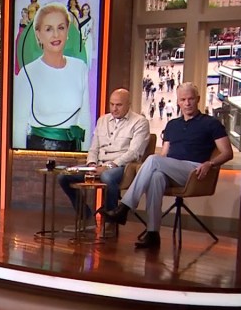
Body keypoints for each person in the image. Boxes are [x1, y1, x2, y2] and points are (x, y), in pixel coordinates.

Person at [99, 83, 233, 249]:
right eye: (183, 99)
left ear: (198, 99)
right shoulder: (172, 125)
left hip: (195, 170)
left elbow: (227, 152)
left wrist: (210, 163)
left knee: (153, 160)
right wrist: (154, 165)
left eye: (191, 99)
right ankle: (153, 234)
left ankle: (124, 208)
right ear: (178, 101)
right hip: (172, 169)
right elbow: (164, 155)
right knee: (156, 176)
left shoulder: (211, 123)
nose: (187, 103)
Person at [57, 88, 149, 226]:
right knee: (63, 176)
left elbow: (134, 153)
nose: (114, 109)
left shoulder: (140, 122)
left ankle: (111, 219)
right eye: (112, 104)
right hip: (98, 164)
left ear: (128, 104)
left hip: (122, 166)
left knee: (107, 176)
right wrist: (91, 164)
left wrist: (108, 166)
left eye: (119, 105)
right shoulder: (102, 120)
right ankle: (86, 216)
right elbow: (94, 148)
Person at [14, 3, 91, 151]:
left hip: (73, 153)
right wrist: (21, 159)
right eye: (49, 29)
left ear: (67, 30)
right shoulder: (28, 73)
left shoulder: (80, 68)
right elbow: (19, 125)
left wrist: (86, 157)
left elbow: (85, 120)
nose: (56, 35)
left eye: (61, 28)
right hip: (38, 151)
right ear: (38, 34)